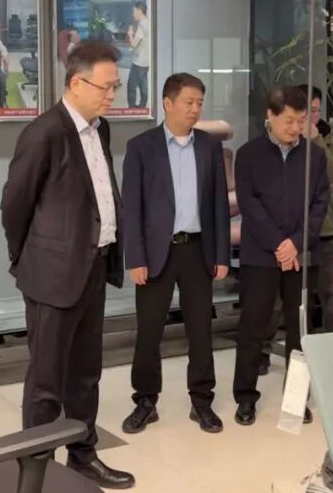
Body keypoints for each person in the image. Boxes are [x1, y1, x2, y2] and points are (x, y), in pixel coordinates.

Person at [0, 40, 135, 489]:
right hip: (52, 276)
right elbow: (15, 204)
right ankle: (35, 469)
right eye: (106, 87)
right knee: (46, 382)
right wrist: (29, 258)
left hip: (94, 267)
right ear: (77, 83)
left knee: (85, 373)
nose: (112, 95)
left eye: (115, 87)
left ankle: (83, 454)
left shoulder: (101, 129)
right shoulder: (44, 133)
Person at [120, 73, 231, 435]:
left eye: (200, 102)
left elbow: (218, 205)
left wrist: (221, 254)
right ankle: (145, 402)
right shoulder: (141, 147)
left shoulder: (209, 147)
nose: (195, 109)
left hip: (198, 250)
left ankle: (202, 402)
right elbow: (131, 208)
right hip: (157, 253)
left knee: (201, 330)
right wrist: (135, 258)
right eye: (189, 102)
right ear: (168, 103)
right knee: (149, 332)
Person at [232, 86, 328, 427]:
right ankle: (245, 397)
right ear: (270, 116)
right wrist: (279, 244)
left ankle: (296, 398)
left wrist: (296, 243)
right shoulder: (248, 154)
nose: (295, 128)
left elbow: (319, 205)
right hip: (260, 255)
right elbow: (249, 205)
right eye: (288, 120)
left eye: (301, 120)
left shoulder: (315, 156)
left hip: (300, 255)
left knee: (299, 330)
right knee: (253, 327)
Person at [301, 84, 333, 332]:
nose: (311, 116)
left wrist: (315, 140)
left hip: (325, 227)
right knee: (287, 296)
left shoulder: (331, 138)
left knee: (332, 293)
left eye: (315, 110)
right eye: (305, 110)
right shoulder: (283, 137)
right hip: (292, 228)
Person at [126, 1, 151, 108]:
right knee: (143, 85)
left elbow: (133, 44)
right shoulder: (149, 23)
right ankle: (142, 107)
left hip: (138, 62)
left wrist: (130, 34)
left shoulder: (142, 25)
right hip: (146, 61)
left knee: (131, 86)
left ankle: (132, 109)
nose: (133, 14)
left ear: (139, 11)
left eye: (134, 11)